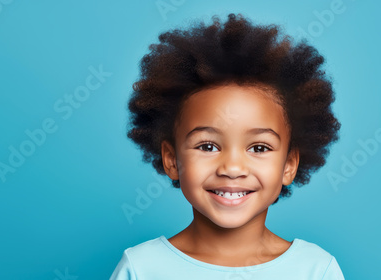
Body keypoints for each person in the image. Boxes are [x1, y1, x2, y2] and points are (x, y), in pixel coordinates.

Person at [111, 13, 344, 279]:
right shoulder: (142, 268)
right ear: (171, 159)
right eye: (208, 146)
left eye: (259, 148)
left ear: (289, 165)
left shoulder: (315, 270)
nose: (232, 168)